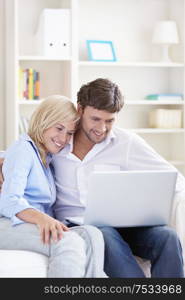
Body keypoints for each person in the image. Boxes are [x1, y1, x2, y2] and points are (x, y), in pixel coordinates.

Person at [0, 79, 184, 277]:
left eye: (110, 121)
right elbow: (27, 152)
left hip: (125, 222)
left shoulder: (126, 142)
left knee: (167, 236)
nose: (102, 128)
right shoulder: (59, 142)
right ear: (80, 110)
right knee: (104, 234)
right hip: (81, 225)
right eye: (95, 119)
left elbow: (175, 179)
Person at [0, 95, 106, 278]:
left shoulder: (47, 158)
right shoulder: (23, 150)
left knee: (92, 235)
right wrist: (43, 219)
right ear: (44, 121)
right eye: (59, 128)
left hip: (29, 224)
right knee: (65, 241)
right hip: (8, 224)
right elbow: (9, 202)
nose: (63, 138)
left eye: (70, 133)